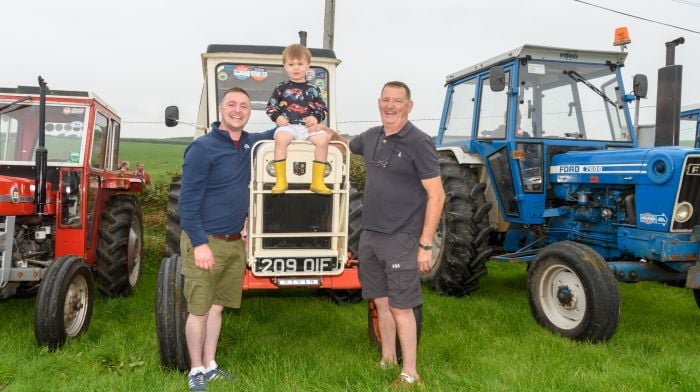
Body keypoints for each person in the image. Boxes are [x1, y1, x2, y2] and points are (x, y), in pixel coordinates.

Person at [332, 81, 445, 386]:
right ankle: (387, 359)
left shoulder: (419, 143)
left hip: (401, 237)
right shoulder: (371, 137)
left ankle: (410, 373)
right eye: (385, 100)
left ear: (409, 106)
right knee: (381, 303)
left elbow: (437, 195)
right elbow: (342, 145)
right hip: (370, 235)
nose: (390, 105)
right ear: (378, 102)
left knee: (401, 306)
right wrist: (322, 131)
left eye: (397, 101)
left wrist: (425, 245)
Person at [178, 87, 276, 391]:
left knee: (218, 307)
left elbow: (278, 132)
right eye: (232, 104)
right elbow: (187, 202)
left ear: (249, 111)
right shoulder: (202, 148)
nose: (238, 110)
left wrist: (311, 124)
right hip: (205, 240)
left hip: (235, 242)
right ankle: (195, 369)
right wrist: (199, 243)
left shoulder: (250, 144)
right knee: (199, 309)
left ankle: (211, 364)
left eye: (244, 106)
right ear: (221, 109)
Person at [266, 43, 331, 195]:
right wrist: (277, 117)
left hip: (307, 128)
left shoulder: (313, 89)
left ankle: (317, 181)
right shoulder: (281, 87)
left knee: (324, 139)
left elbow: (322, 108)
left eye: (300, 64)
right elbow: (271, 106)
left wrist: (315, 118)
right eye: (291, 64)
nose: (295, 68)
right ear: (285, 66)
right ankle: (281, 180)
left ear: (308, 66)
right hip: (288, 126)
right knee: (281, 138)